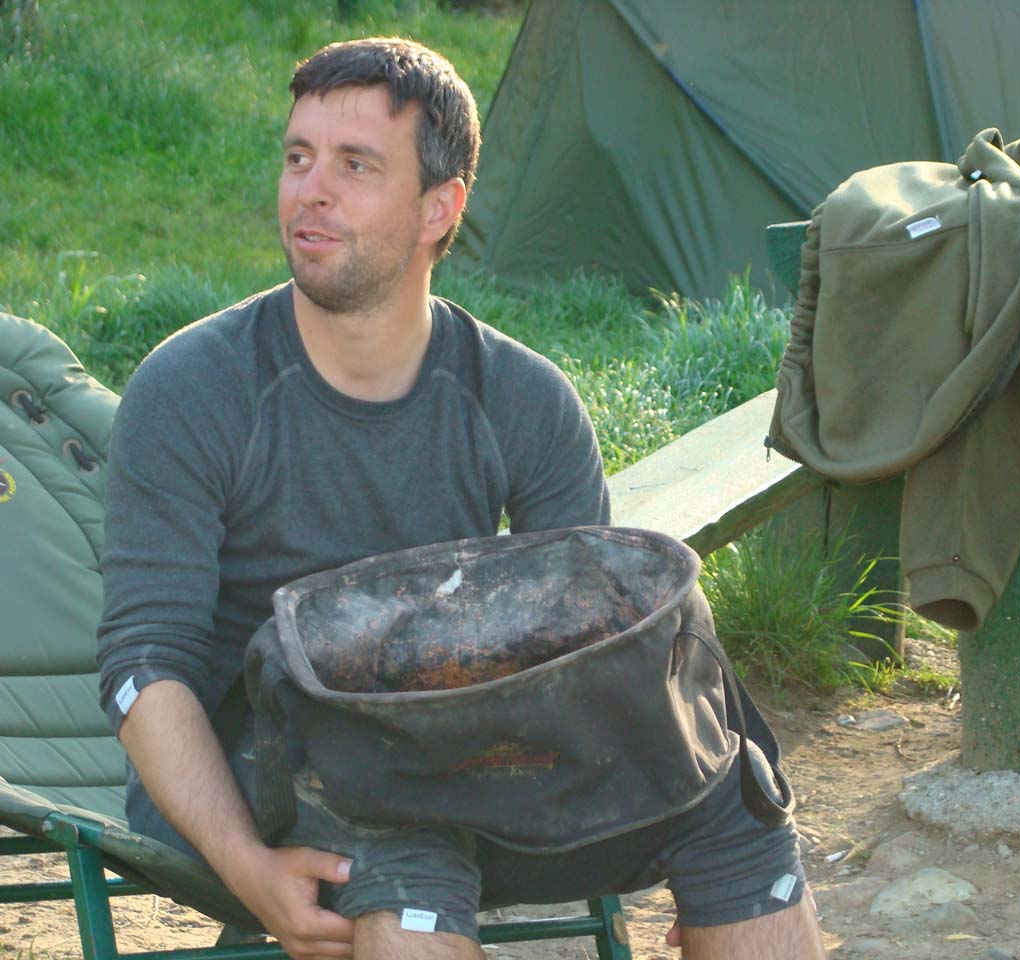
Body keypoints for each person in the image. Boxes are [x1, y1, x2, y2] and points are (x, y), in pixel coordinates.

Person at [97, 36, 825, 960]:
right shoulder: (192, 390)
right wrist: (245, 866)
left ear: (439, 208)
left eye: (355, 165)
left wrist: (672, 797)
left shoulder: (522, 398)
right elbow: (143, 665)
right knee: (406, 863)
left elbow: (597, 651)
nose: (310, 190)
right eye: (298, 157)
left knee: (735, 807)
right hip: (265, 761)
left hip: (464, 743)